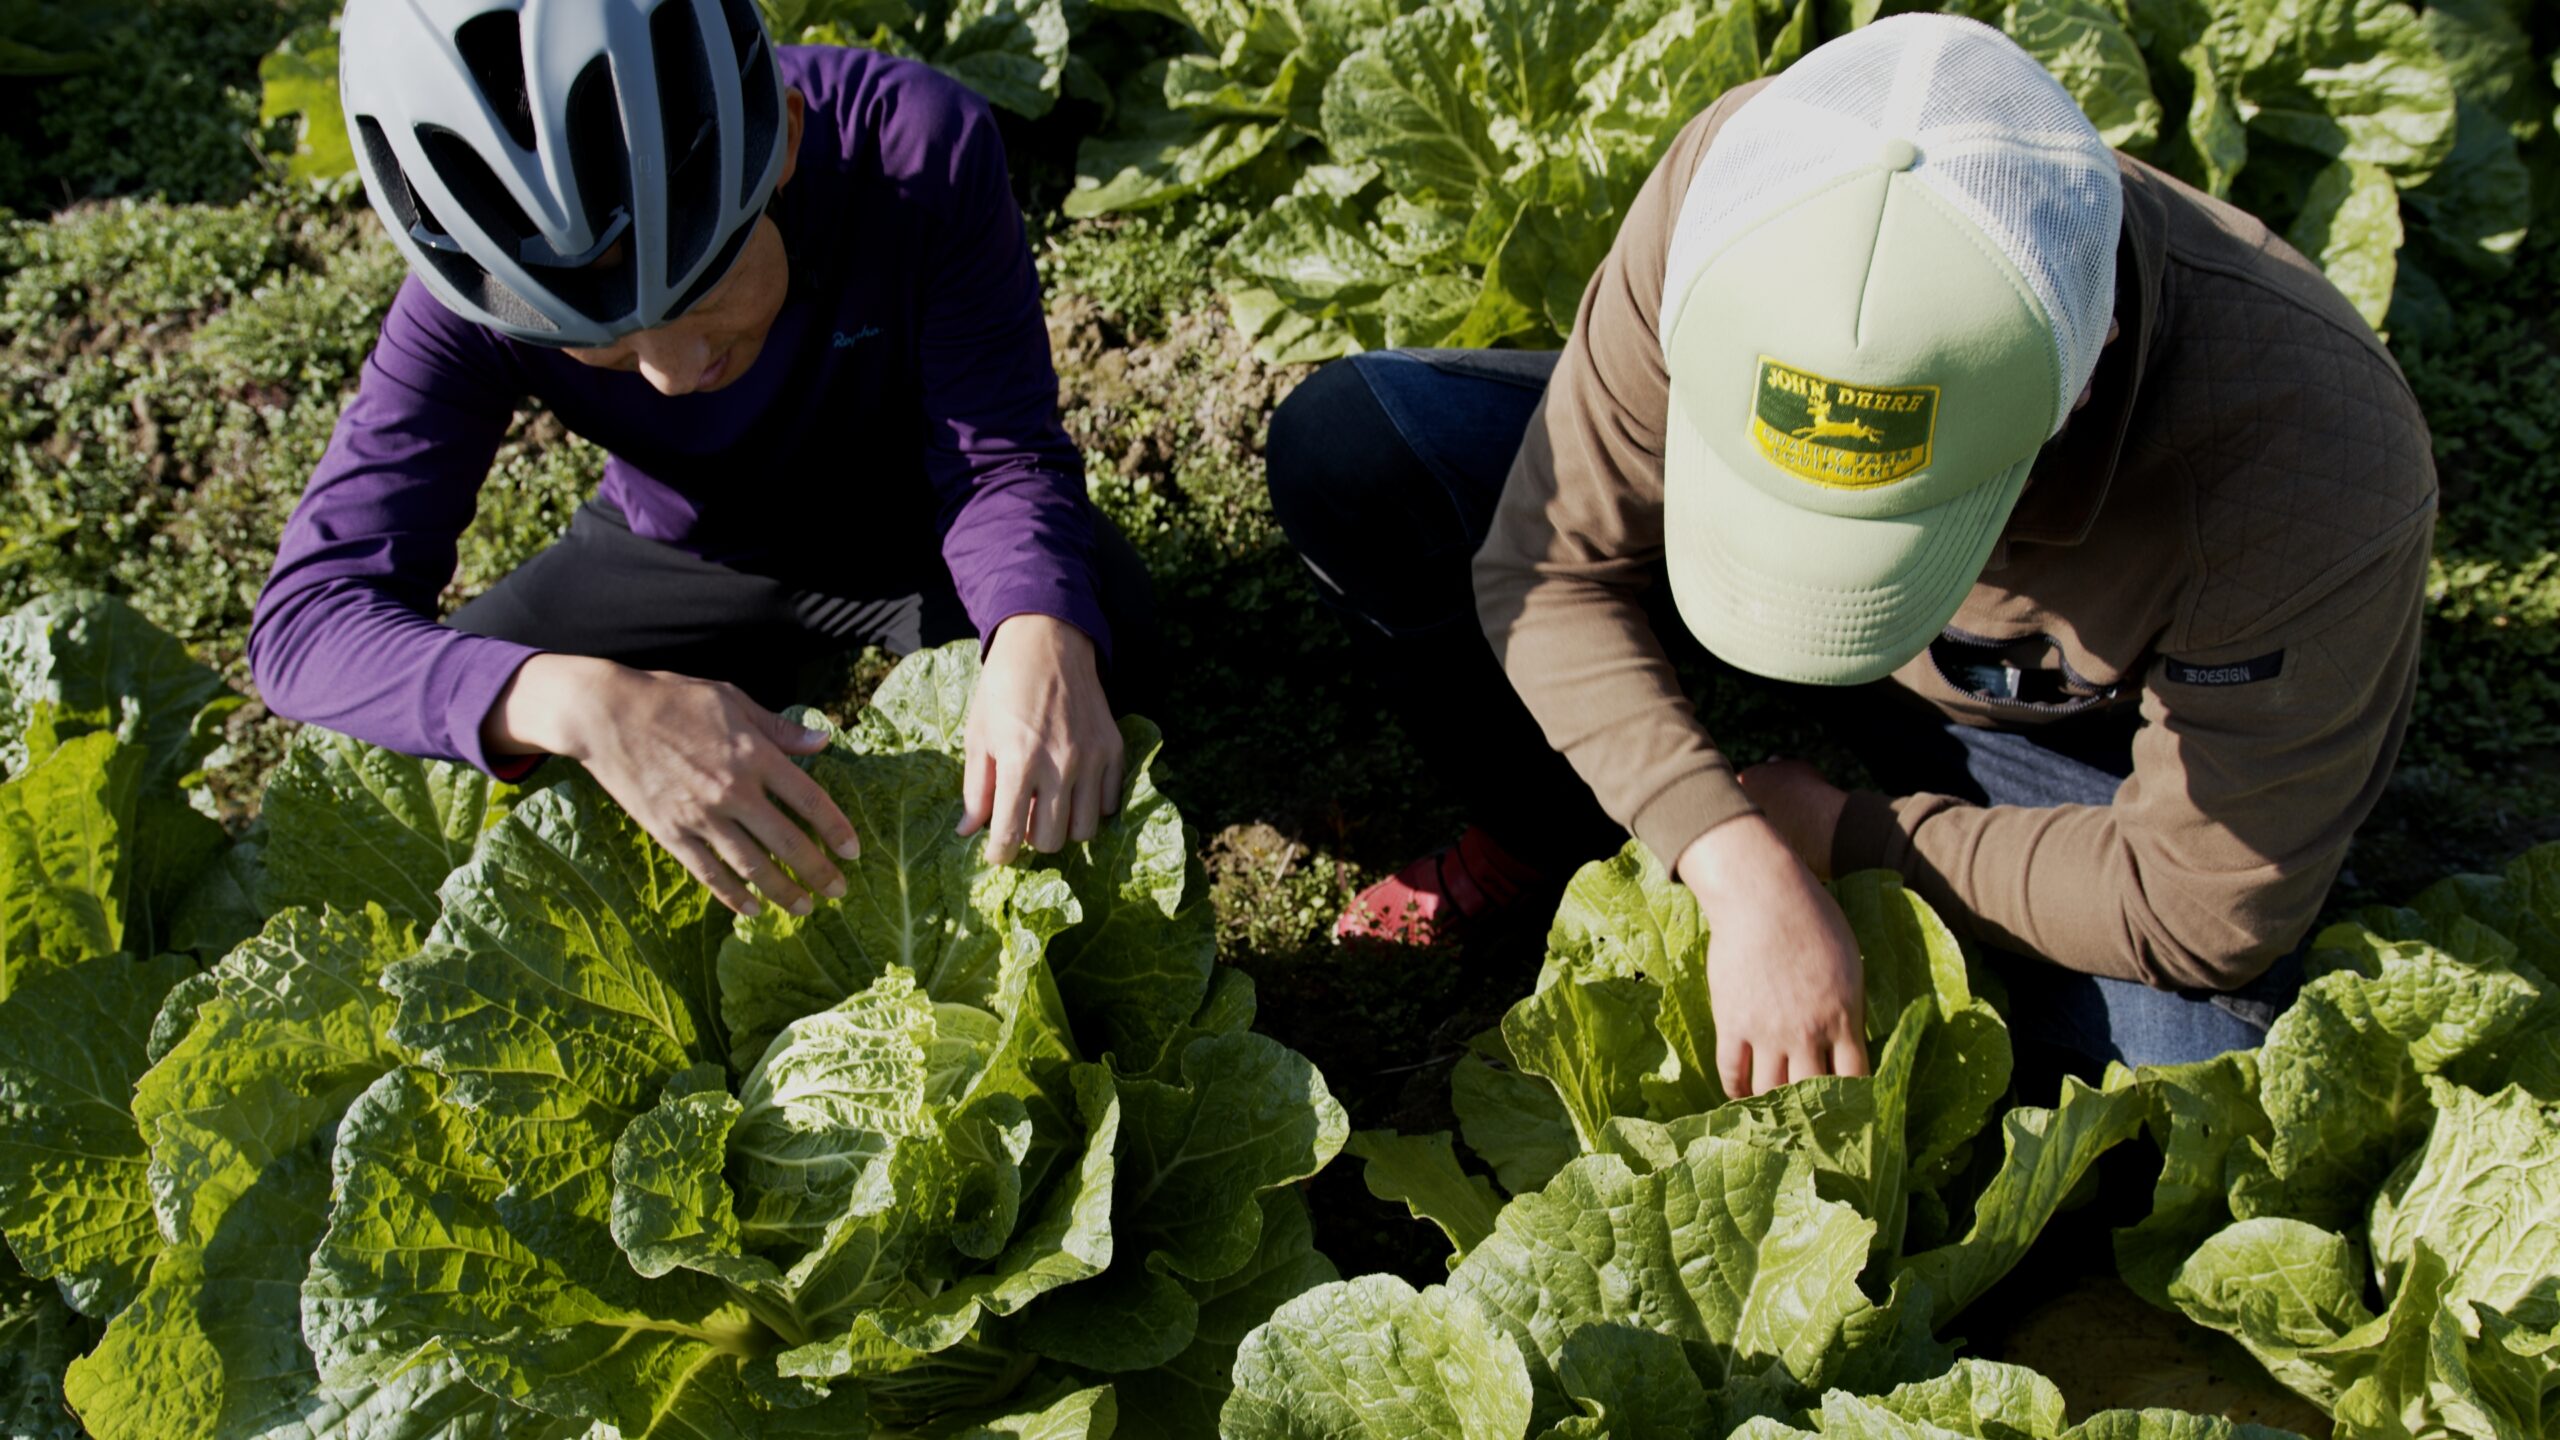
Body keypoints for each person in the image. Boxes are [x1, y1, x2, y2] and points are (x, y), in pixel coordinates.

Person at [1266, 15, 2436, 1093]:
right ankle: (1558, 835)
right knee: (1364, 453)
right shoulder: (1743, 191)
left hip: (2023, 715)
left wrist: (1839, 834)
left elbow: (2204, 901)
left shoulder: (2314, 460)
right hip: (1731, 581)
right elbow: (1547, 563)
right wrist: (1733, 857)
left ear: (2084, 379)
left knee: (2187, 1059)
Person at [250, 0, 1153, 921]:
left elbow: (997, 459)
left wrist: (1036, 629)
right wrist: (586, 704)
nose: (674, 376)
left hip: (916, 520)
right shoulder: (487, 290)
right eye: (600, 345)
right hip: (684, 550)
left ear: (787, 142)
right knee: (428, 740)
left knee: (1099, 632)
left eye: (701, 292)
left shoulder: (912, 148)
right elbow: (305, 624)